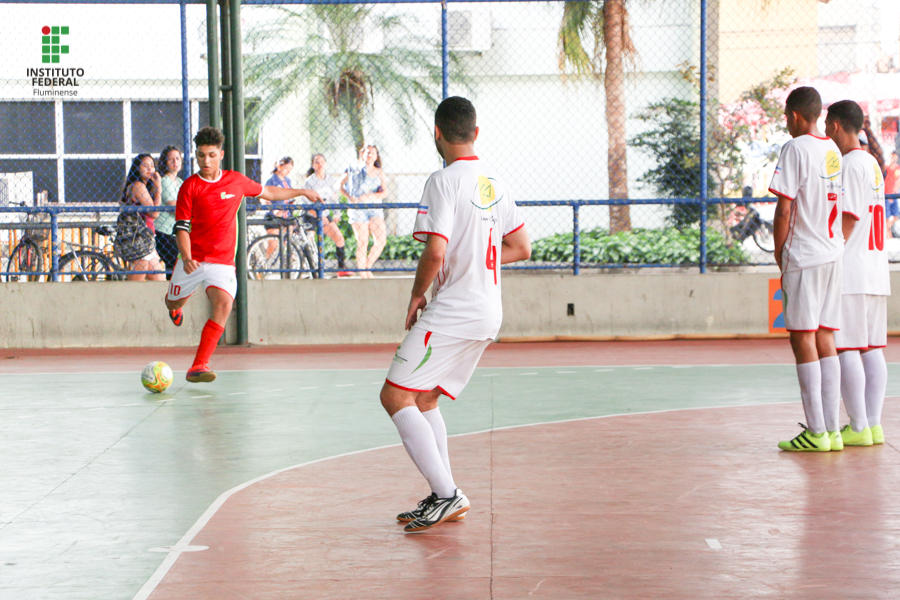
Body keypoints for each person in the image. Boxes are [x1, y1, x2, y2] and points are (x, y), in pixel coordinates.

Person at [379, 97, 531, 532]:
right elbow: (522, 248)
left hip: (455, 310)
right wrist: (479, 262)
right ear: (476, 133)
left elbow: (436, 249)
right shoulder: (495, 182)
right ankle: (441, 493)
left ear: (437, 133)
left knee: (394, 396)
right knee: (424, 397)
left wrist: (415, 294)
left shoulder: (443, 181)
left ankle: (447, 495)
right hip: (488, 312)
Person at [165, 127, 321, 383]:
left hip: (222, 262)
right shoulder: (189, 187)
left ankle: (199, 366)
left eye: (211, 155)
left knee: (224, 305)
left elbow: (269, 193)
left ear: (221, 155)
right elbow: (181, 227)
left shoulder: (236, 181)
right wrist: (186, 255)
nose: (206, 161)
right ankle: (176, 307)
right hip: (192, 259)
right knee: (172, 302)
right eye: (201, 155)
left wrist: (302, 192)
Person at [769, 87, 845, 452]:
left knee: (802, 337)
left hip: (805, 254)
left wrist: (779, 253)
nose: (786, 122)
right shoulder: (832, 148)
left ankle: (816, 432)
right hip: (833, 254)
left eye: (786, 116)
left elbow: (784, 208)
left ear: (796, 116)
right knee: (826, 336)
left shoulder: (795, 148)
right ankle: (831, 429)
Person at [825, 100, 890, 447]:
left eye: (826, 127)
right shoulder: (873, 164)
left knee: (847, 347)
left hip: (852, 269)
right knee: (872, 348)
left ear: (835, 126)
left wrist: (831, 251)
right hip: (876, 269)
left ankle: (858, 425)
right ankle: (874, 425)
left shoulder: (849, 164)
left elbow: (848, 218)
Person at [340, 145, 388, 278]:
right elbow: (340, 185)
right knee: (362, 242)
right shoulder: (353, 169)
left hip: (374, 209)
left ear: (376, 155)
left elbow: (385, 192)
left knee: (381, 240)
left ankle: (367, 267)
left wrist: (372, 196)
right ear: (362, 154)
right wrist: (350, 197)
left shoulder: (379, 172)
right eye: (368, 152)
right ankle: (363, 273)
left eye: (373, 152)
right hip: (358, 209)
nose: (370, 154)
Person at [119, 154, 166, 282]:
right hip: (139, 241)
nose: (149, 168)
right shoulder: (137, 185)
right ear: (137, 168)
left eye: (152, 165)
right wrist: (159, 187)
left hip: (147, 240)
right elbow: (154, 213)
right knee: (135, 284)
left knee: (160, 281)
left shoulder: (144, 186)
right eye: (145, 165)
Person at [304, 153, 350, 276]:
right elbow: (306, 201)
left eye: (322, 161)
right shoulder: (309, 181)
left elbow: (334, 198)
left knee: (339, 238)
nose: (320, 164)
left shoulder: (330, 180)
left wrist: (336, 213)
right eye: (317, 162)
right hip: (312, 216)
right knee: (309, 242)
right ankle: (308, 269)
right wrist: (316, 213)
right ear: (313, 165)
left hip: (324, 215)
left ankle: (341, 268)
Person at [155, 146, 183, 279]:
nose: (175, 161)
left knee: (175, 265)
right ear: (165, 162)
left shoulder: (179, 182)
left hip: (174, 230)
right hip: (163, 231)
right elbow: (175, 206)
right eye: (171, 159)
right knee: (176, 261)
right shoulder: (165, 180)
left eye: (177, 158)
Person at [884, 151, 900, 235]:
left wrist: (895, 190)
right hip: (887, 193)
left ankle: (888, 229)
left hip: (894, 193)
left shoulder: (898, 168)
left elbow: (898, 180)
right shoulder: (886, 167)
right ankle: (887, 232)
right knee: (886, 216)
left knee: (896, 214)